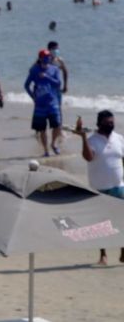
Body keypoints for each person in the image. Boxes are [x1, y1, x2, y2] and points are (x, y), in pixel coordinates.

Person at [76, 111, 124, 265]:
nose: (110, 124)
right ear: (99, 123)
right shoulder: (92, 140)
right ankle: (103, 255)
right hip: (99, 188)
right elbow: (88, 157)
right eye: (107, 122)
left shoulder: (119, 139)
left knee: (121, 220)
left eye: (112, 122)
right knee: (101, 224)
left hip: (119, 186)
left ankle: (123, 250)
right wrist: (83, 137)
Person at [24, 49, 63, 157]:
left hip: (52, 102)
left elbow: (58, 84)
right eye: (45, 57)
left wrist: (47, 77)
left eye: (48, 57)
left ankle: (53, 144)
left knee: (57, 125)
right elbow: (26, 85)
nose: (47, 59)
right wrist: (33, 97)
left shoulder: (54, 69)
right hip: (40, 105)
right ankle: (46, 150)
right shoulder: (34, 70)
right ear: (40, 58)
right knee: (42, 129)